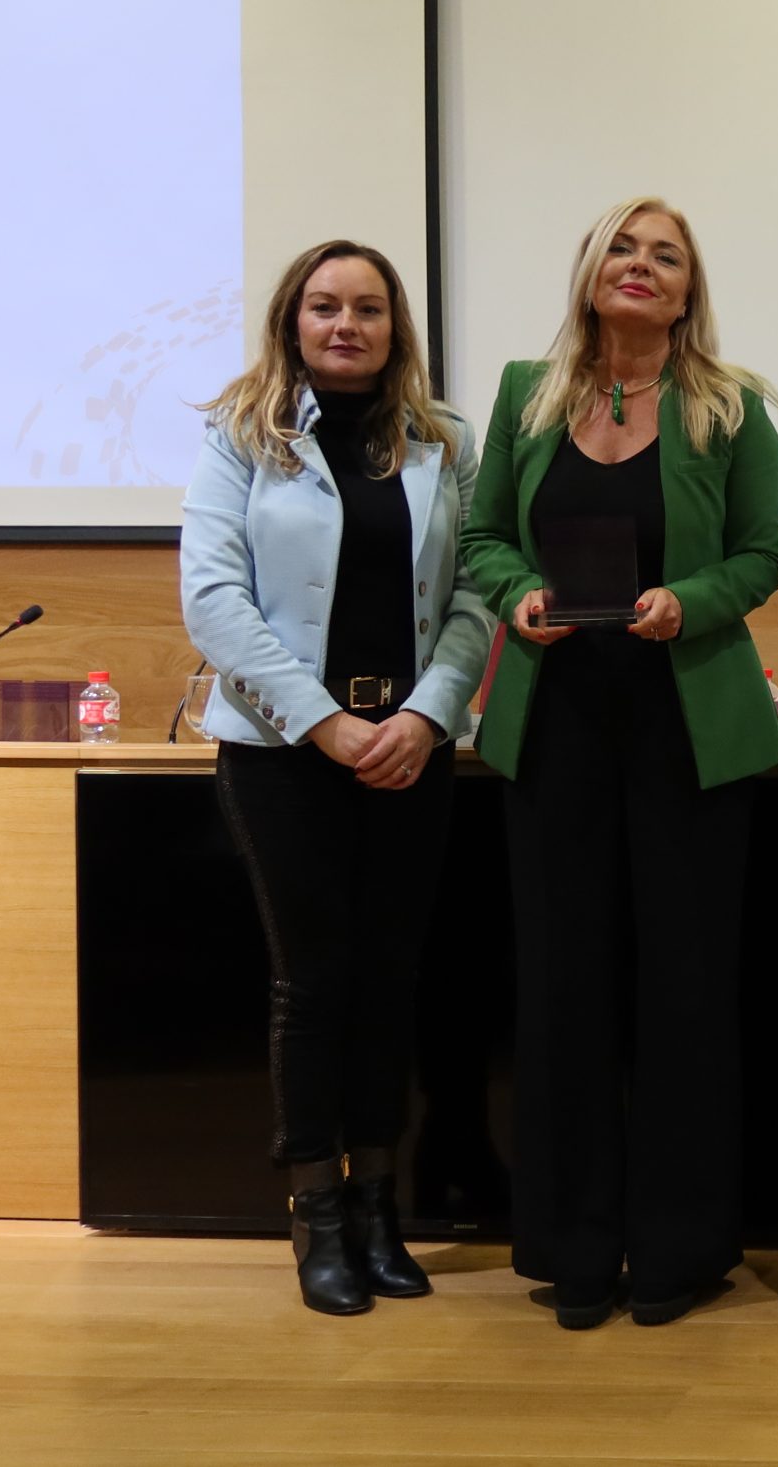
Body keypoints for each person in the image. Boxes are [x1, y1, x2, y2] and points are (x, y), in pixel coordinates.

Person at [460, 196, 778, 1330]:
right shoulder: (526, 394)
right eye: (622, 248)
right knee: (564, 989)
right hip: (554, 724)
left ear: (689, 291)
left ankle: (678, 1249)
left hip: (686, 731)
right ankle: (575, 1246)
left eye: (666, 256)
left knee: (684, 990)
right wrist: (519, 593)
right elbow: (483, 538)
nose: (640, 265)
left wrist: (685, 600)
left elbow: (759, 558)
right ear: (591, 270)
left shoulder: (731, 407)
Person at [180, 239, 492, 1315]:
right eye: (324, 307)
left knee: (390, 980)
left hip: (412, 746)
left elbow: (474, 595)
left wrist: (426, 714)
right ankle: (316, 1214)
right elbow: (214, 599)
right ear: (292, 321)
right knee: (313, 983)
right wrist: (325, 724)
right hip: (283, 753)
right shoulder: (240, 435)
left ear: (396, 327)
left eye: (367, 308)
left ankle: (378, 1211)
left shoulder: (443, 440)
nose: (345, 325)